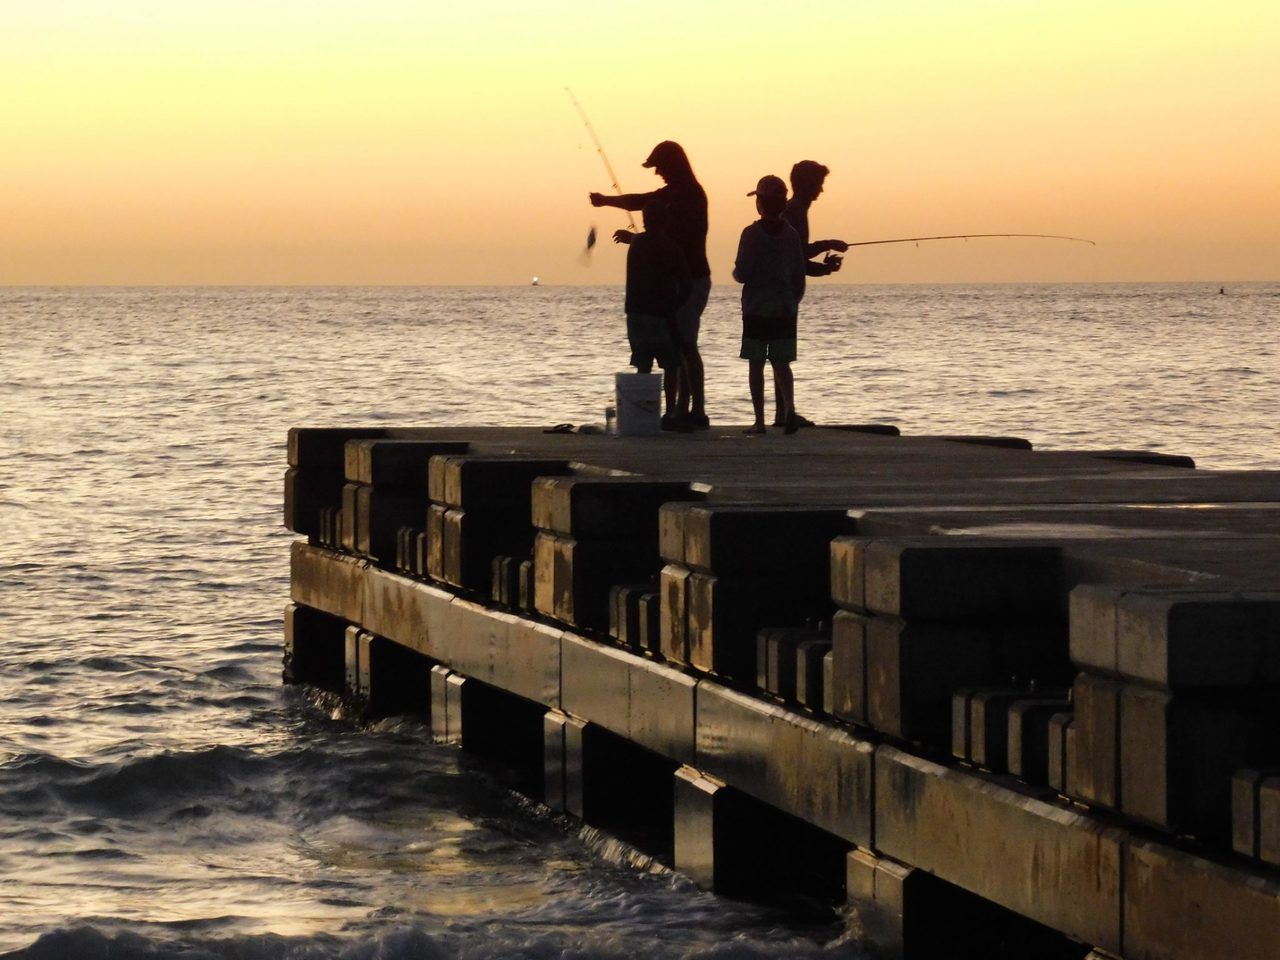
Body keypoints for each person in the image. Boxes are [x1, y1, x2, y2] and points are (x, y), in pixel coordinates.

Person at [590, 141, 711, 430]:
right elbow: (640, 201)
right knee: (678, 345)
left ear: (673, 164)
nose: (657, 172)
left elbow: (674, 239)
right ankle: (679, 410)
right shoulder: (672, 193)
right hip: (675, 282)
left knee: (686, 345)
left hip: (690, 280)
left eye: (660, 166)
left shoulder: (689, 195)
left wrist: (639, 241)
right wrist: (608, 200)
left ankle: (693, 410)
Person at [777, 160, 849, 428]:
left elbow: (800, 262)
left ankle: (783, 412)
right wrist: (829, 243)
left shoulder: (796, 211)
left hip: (789, 292)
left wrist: (824, 269)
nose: (821, 190)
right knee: (782, 355)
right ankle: (786, 413)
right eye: (818, 184)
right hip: (784, 295)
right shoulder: (794, 211)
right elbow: (798, 251)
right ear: (807, 184)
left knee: (780, 356)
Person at [733, 175, 807, 435]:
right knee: (781, 363)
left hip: (755, 308)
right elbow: (799, 275)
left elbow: (742, 273)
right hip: (784, 308)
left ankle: (760, 421)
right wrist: (792, 302)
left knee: (756, 364)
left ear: (760, 203)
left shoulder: (751, 234)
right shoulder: (792, 236)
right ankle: (789, 408)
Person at [623, 199, 691, 421]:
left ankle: (642, 414)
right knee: (671, 364)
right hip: (661, 315)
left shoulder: (637, 244)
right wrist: (675, 305)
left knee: (643, 365)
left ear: (644, 220)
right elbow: (687, 285)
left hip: (635, 315)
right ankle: (669, 412)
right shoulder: (673, 248)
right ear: (667, 221)